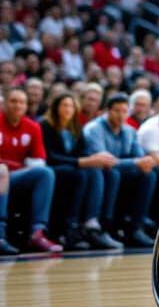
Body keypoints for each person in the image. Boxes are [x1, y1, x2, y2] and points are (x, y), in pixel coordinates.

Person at [40, 92, 122, 250]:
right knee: (81, 174)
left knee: (104, 172)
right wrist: (82, 161)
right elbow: (50, 156)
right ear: (56, 107)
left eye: (71, 105)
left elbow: (83, 152)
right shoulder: (45, 125)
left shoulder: (75, 127)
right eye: (64, 105)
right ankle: (70, 226)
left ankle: (97, 225)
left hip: (72, 167)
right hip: (52, 168)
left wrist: (97, 157)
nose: (68, 109)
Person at [82, 93, 158, 247]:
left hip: (119, 171)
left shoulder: (130, 131)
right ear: (107, 111)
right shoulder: (94, 128)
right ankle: (104, 228)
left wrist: (145, 161)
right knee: (113, 173)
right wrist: (136, 162)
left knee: (148, 175)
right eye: (117, 110)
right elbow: (105, 161)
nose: (121, 115)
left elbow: (140, 158)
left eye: (124, 111)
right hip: (95, 172)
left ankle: (136, 227)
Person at [0, 87, 63, 254]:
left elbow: (39, 161)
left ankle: (37, 233)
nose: (17, 105)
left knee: (46, 173)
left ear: (27, 106)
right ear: (4, 104)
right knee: (2, 170)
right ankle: (0, 234)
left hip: (16, 176)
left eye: (22, 102)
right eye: (13, 101)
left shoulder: (33, 127)